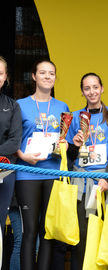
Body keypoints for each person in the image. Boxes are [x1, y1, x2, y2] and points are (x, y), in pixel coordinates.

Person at [51, 72, 108, 270]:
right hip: (84, 184)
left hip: (107, 181)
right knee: (83, 235)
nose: (92, 91)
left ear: (102, 88)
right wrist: (76, 145)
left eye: (95, 87)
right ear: (82, 92)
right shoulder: (76, 117)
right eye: (87, 88)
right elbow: (67, 156)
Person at [15, 59, 69, 270]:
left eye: (52, 73)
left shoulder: (62, 106)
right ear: (34, 76)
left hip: (54, 173)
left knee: (48, 230)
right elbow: (13, 140)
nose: (48, 76)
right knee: (29, 230)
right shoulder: (21, 105)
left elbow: (66, 140)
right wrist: (22, 155)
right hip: (27, 174)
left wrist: (67, 143)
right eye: (43, 73)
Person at [0, 55, 22, 265]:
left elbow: (15, 141)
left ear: (5, 77)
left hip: (4, 172)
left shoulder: (12, 106)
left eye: (0, 73)